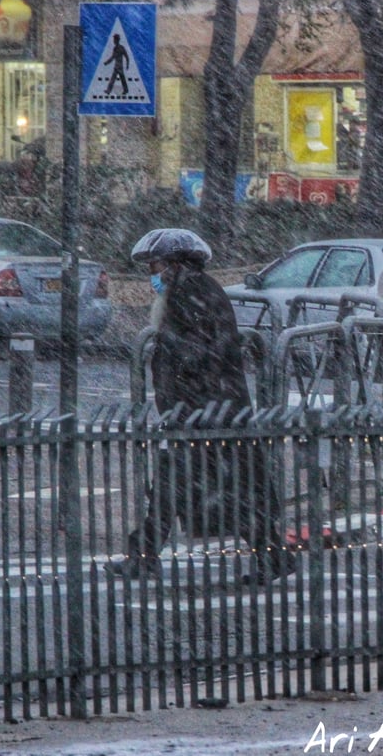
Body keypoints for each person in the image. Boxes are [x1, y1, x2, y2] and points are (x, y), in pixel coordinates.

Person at [111, 228, 295, 583]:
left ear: (175, 265)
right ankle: (270, 556)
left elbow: (199, 353)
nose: (152, 275)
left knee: (191, 487)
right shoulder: (196, 290)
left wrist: (176, 368)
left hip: (205, 413)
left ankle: (146, 557)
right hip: (210, 411)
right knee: (208, 489)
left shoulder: (189, 293)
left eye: (156, 266)